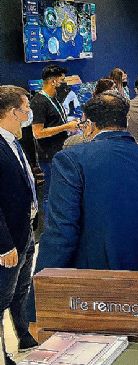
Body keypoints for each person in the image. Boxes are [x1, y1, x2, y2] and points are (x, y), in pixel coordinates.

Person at [35, 92, 138, 272]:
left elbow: (61, 231)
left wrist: (42, 279)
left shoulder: (70, 160)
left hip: (90, 275)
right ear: (126, 121)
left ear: (90, 125)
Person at [0, 87, 39, 363]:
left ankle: (23, 335)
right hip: (9, 240)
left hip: (26, 230)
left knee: (21, 289)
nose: (29, 114)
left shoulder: (16, 141)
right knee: (2, 297)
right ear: (13, 112)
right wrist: (4, 245)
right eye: (26, 109)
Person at [30, 65, 80, 212]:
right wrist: (65, 127)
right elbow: (38, 132)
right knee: (50, 194)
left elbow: (55, 123)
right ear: (53, 81)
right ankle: (48, 223)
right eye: (62, 80)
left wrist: (69, 126)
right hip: (48, 155)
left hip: (58, 150)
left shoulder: (54, 98)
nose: (64, 83)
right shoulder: (39, 102)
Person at [62, 79, 118, 149]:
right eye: (113, 88)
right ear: (106, 91)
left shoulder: (115, 106)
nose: (116, 90)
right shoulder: (92, 105)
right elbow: (84, 122)